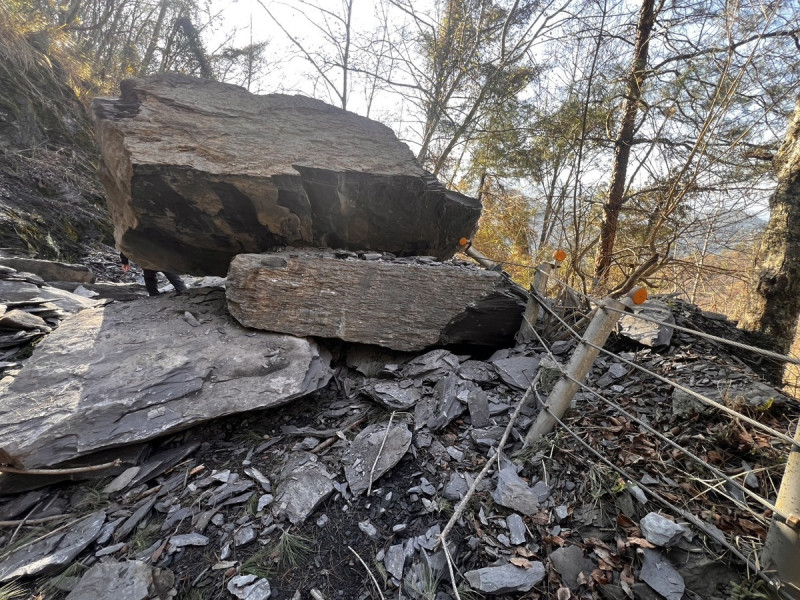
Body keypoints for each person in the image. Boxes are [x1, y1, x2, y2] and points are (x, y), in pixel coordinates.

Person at [120, 253, 187, 296]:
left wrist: (124, 262)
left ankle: (153, 294)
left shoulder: (133, 236)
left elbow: (124, 248)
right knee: (170, 272)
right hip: (160, 256)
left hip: (145, 259)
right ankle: (182, 290)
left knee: (149, 276)